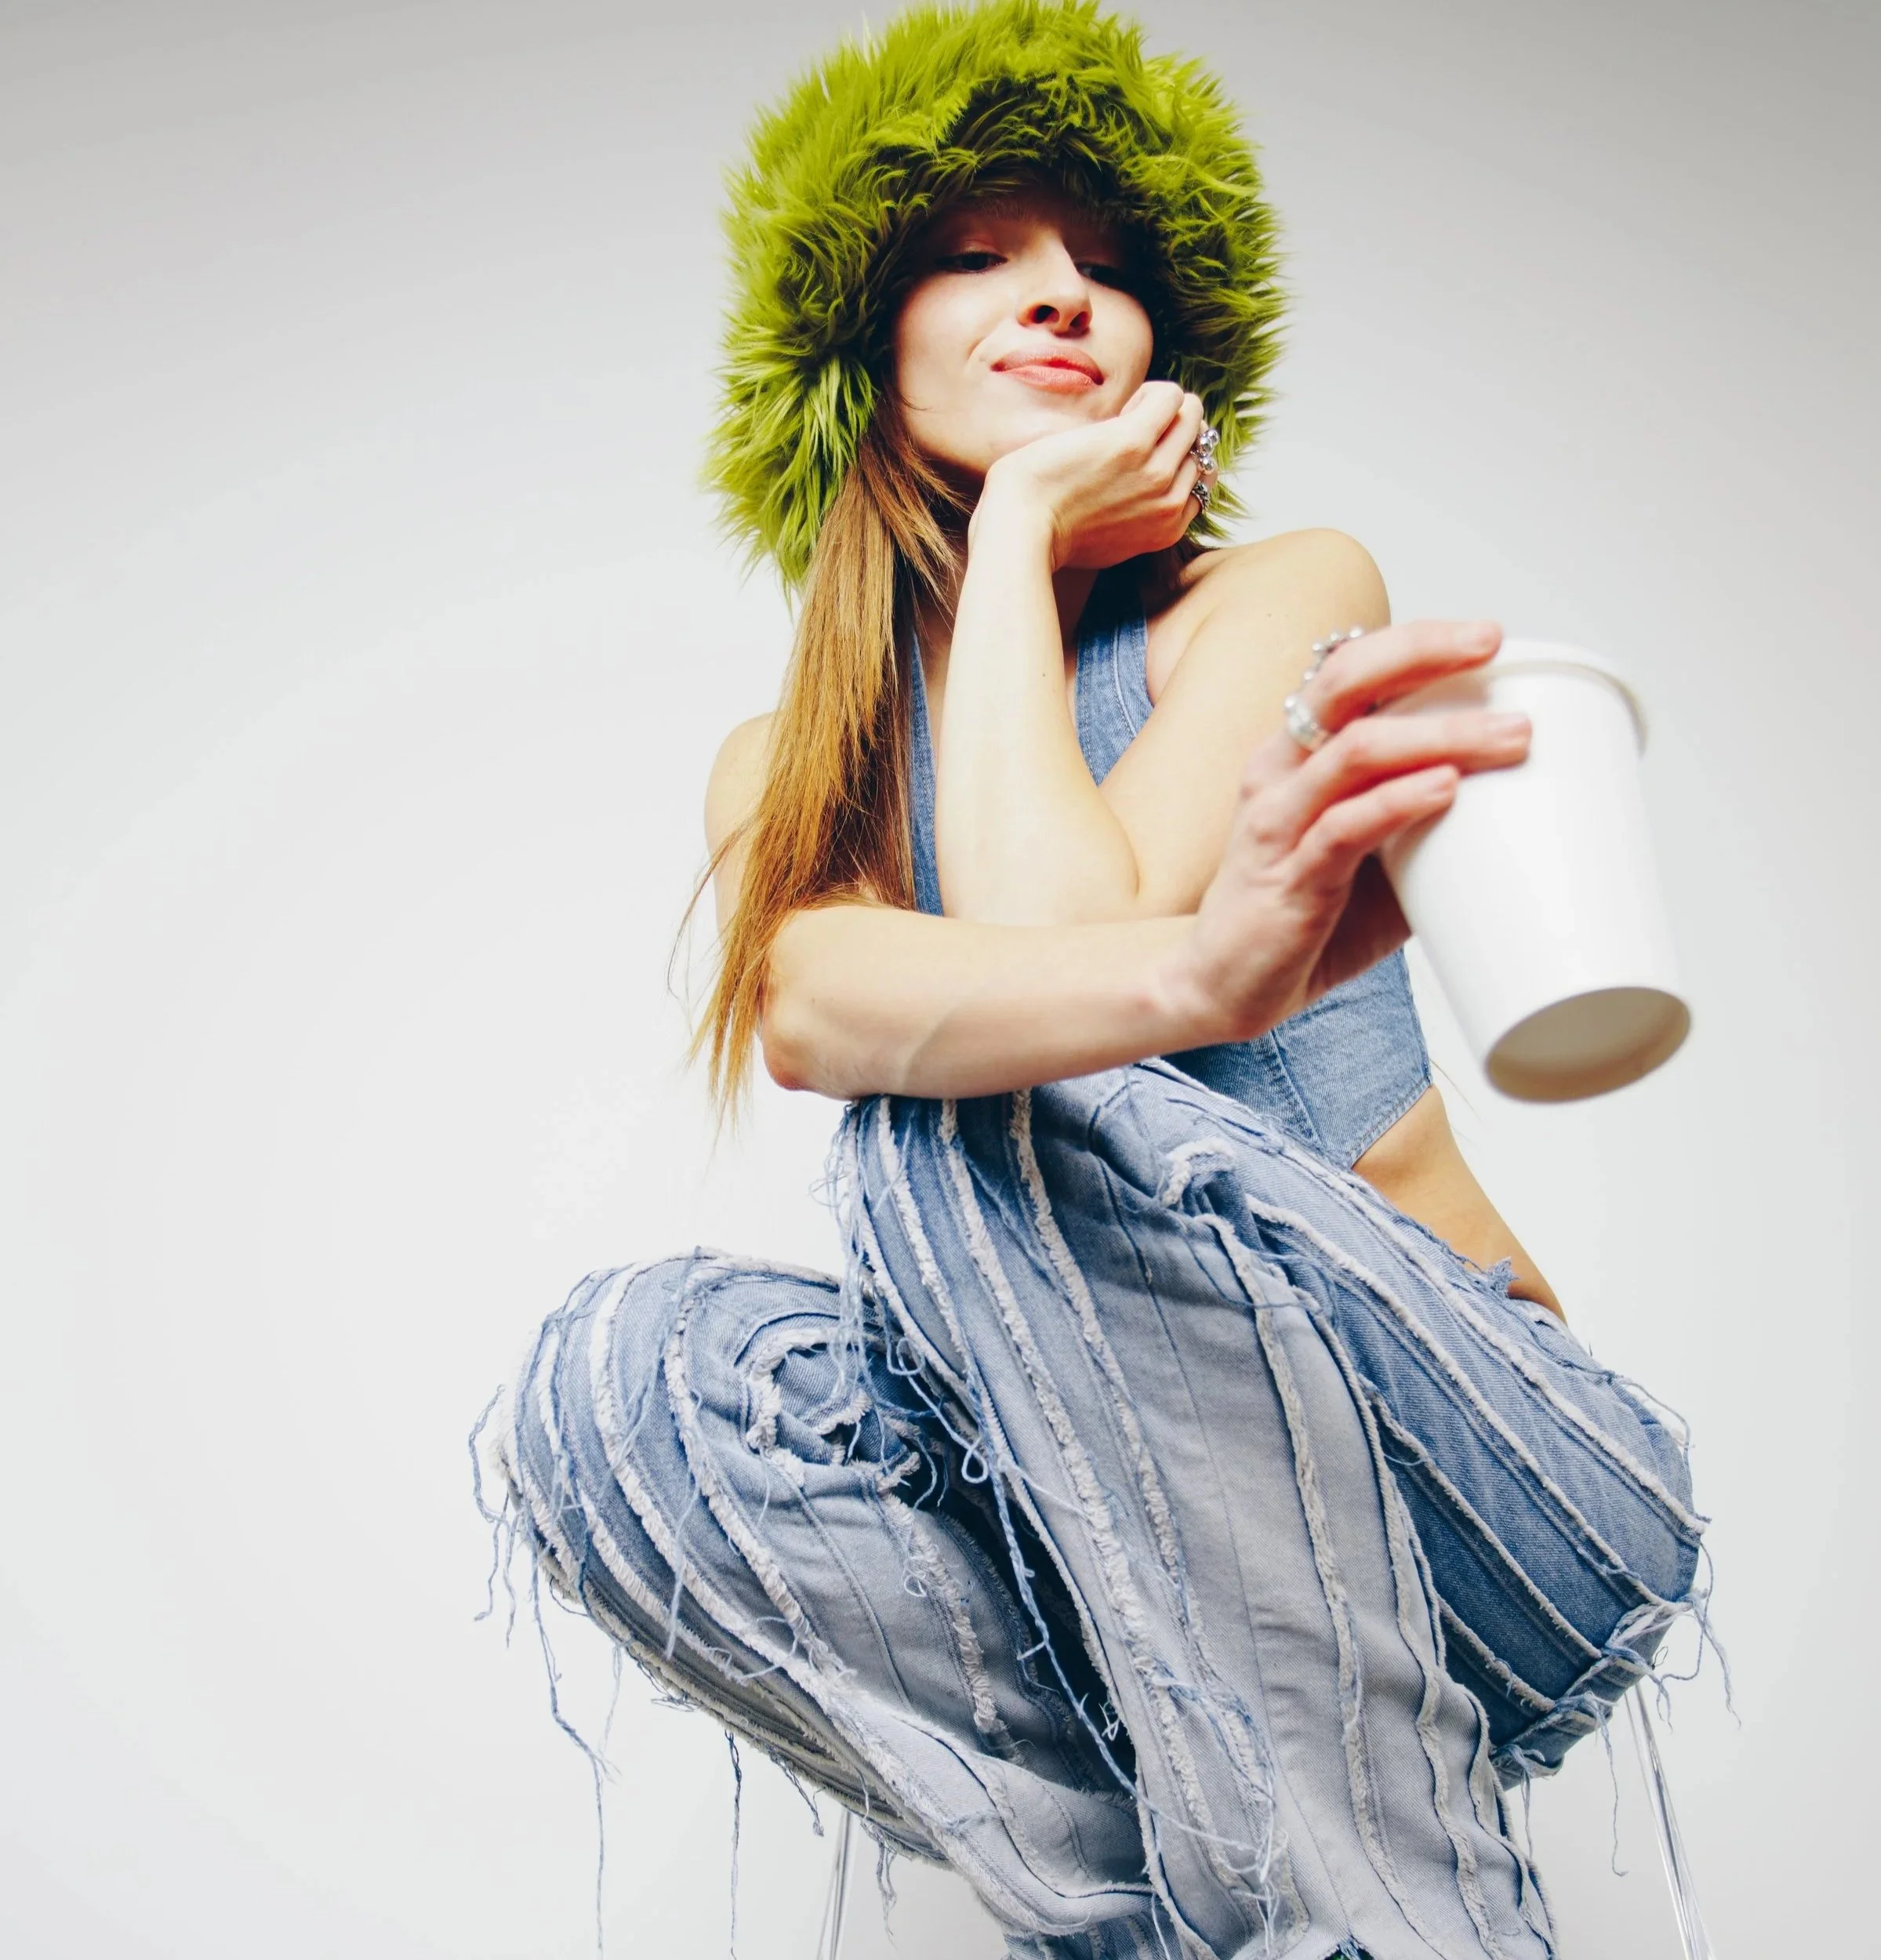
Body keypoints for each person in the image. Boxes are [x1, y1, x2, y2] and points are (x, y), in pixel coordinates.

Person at [478, 5, 1707, 1955]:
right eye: (974, 257)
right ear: (851, 358)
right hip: (1104, 1544)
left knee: (1000, 1118)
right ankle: (1211, 1922)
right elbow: (806, 1010)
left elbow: (1067, 958)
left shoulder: (1276, 590)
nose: (1061, 297)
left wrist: (1027, 544)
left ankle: (1365, 1913)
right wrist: (1037, 571)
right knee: (620, 1392)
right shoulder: (779, 775)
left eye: (1105, 272)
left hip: (1475, 1478)